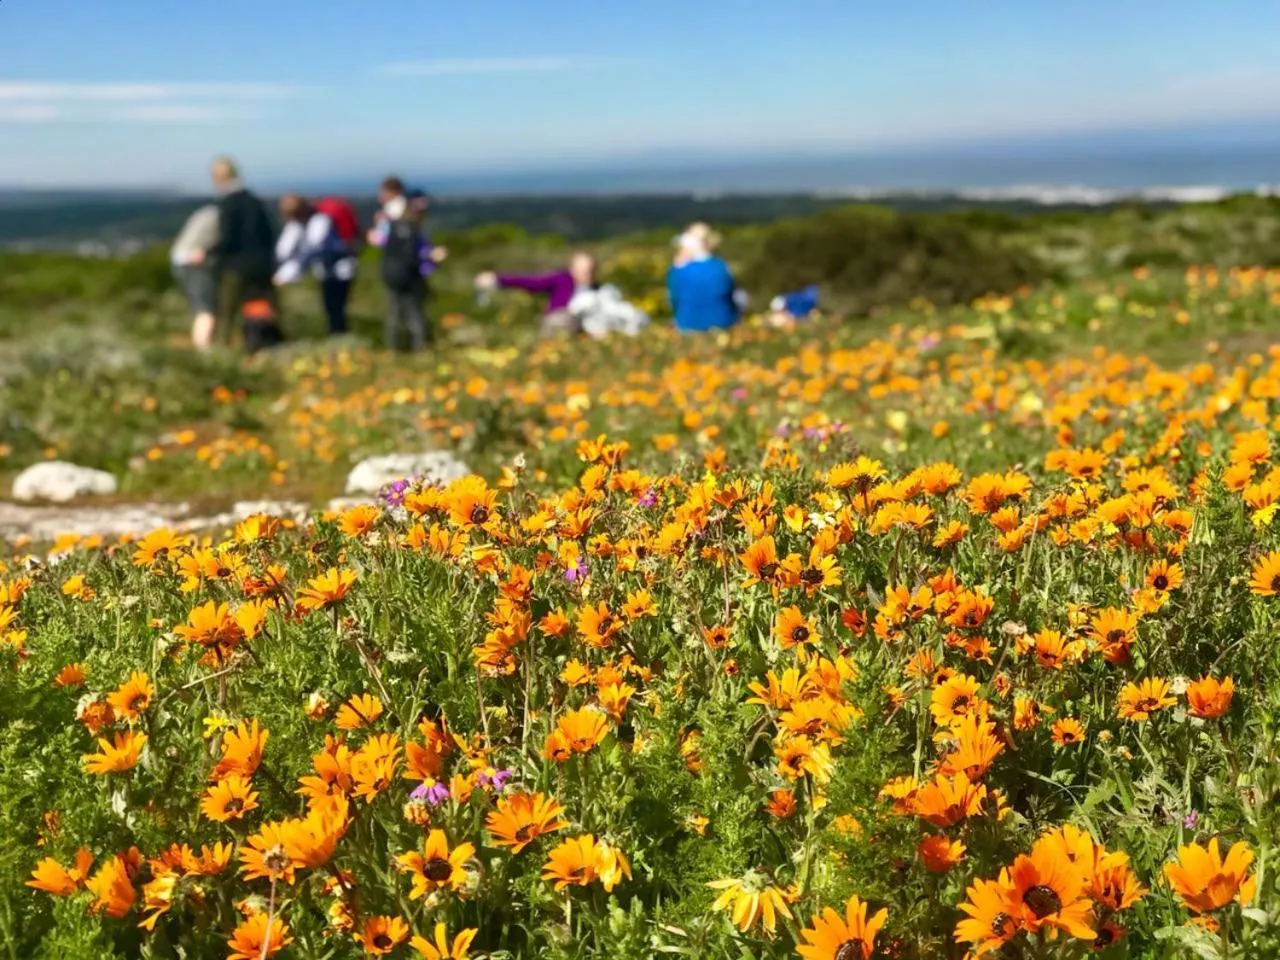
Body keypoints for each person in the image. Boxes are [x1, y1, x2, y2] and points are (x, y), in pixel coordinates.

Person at [190, 157, 281, 353]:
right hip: (262, 265)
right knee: (261, 307)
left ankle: (224, 350)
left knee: (227, 310)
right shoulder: (255, 201)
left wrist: (207, 253)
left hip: (237, 266)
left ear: (218, 178)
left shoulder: (228, 204)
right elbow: (270, 234)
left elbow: (226, 238)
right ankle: (260, 347)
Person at [274, 193, 358, 336]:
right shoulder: (305, 223)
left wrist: (288, 272)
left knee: (336, 310)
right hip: (327, 271)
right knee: (331, 309)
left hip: (340, 270)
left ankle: (339, 341)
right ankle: (337, 341)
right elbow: (286, 250)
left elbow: (312, 249)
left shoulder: (320, 221)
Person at [474, 252, 597, 337]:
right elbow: (532, 282)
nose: (586, 274)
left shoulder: (597, 290)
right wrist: (498, 280)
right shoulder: (562, 279)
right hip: (559, 323)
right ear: (572, 268)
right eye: (582, 270)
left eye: (589, 270)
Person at [378, 194, 432, 351]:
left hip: (391, 274)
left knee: (394, 313)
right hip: (410, 275)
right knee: (415, 313)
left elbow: (379, 242)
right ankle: (420, 348)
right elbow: (418, 255)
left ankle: (392, 349)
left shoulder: (391, 225)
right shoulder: (415, 229)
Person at [667, 223, 741, 333]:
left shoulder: (678, 270)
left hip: (687, 325)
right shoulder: (721, 266)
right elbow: (732, 295)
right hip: (724, 322)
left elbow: (674, 300)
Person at [170, 203, 220, 349]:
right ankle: (204, 351)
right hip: (194, 264)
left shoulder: (207, 213)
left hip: (182, 262)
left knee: (201, 309)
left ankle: (203, 347)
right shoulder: (220, 216)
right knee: (206, 310)